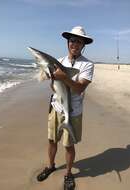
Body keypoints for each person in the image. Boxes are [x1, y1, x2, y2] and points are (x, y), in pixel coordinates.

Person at [37, 26, 94, 190]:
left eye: (78, 41)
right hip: (55, 107)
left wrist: (63, 77)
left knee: (68, 145)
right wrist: (53, 80)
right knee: (51, 140)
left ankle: (68, 173)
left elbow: (79, 89)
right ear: (68, 42)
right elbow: (53, 88)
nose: (74, 43)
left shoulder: (88, 65)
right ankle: (51, 165)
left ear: (83, 44)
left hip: (73, 112)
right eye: (72, 40)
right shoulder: (59, 61)